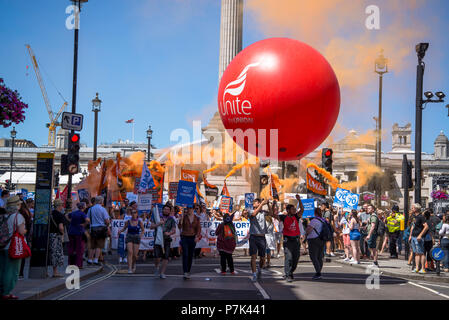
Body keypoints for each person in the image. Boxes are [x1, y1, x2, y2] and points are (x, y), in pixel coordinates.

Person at [0, 196, 26, 299]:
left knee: (2, 269)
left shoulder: (3, 216)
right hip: (13, 247)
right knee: (12, 271)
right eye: (19, 204)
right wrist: (25, 231)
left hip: (2, 245)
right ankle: (6, 292)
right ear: (16, 206)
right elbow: (21, 231)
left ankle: (2, 290)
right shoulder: (18, 216)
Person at [274, 195, 304, 282]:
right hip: (288, 240)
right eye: (292, 209)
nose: (294, 210)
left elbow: (302, 210)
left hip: (296, 240)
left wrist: (299, 200)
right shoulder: (283, 217)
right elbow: (273, 215)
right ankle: (288, 275)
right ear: (288, 210)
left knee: (296, 258)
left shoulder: (296, 216)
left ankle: (290, 272)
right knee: (289, 257)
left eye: (295, 209)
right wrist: (272, 205)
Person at [248, 198, 272, 282]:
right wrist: (262, 204)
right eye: (254, 202)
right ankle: (254, 274)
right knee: (253, 256)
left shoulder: (263, 213)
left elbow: (271, 214)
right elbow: (254, 214)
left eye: (256, 202)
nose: (254, 203)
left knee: (262, 258)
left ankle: (259, 269)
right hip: (253, 237)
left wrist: (268, 204)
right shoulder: (250, 211)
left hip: (262, 237)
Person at [178, 205, 201, 279]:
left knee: (190, 255)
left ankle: (188, 271)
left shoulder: (196, 218)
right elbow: (179, 227)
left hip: (192, 238)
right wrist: (180, 221)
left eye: (191, 208)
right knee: (185, 254)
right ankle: (185, 272)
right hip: (184, 237)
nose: (189, 210)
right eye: (188, 208)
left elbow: (198, 228)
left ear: (193, 209)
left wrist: (197, 236)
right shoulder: (184, 217)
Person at [119, 208, 144, 273]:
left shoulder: (139, 222)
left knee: (135, 255)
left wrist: (141, 235)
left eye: (135, 212)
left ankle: (133, 264)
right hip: (129, 236)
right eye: (132, 213)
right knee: (130, 252)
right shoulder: (128, 221)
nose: (133, 214)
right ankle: (129, 268)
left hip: (136, 237)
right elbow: (124, 228)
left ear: (137, 214)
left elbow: (143, 230)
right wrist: (120, 231)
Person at [305, 207, 328, 280]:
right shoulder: (323, 220)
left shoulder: (314, 221)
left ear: (315, 213)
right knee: (319, 257)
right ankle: (319, 271)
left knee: (313, 256)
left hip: (313, 239)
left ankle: (318, 273)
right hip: (322, 239)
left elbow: (308, 231)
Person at [87, 196, 110, 266]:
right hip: (101, 229)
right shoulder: (103, 209)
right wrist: (108, 224)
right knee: (99, 245)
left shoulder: (90, 209)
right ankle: (96, 259)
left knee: (93, 245)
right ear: (101, 201)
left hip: (93, 228)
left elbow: (87, 219)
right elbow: (106, 221)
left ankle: (90, 259)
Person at [66, 202, 90, 269]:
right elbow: (88, 220)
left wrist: (70, 221)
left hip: (71, 232)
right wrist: (84, 224)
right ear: (83, 207)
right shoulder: (82, 214)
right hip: (79, 232)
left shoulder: (74, 213)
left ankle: (71, 264)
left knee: (71, 249)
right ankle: (79, 264)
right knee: (79, 249)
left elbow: (66, 215)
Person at [409, 203, 429, 273]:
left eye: (412, 207)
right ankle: (417, 268)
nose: (412, 209)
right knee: (416, 253)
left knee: (421, 253)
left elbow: (426, 227)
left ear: (416, 208)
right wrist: (410, 235)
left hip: (419, 237)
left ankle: (423, 268)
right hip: (414, 236)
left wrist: (420, 235)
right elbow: (413, 226)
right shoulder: (414, 216)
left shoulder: (421, 217)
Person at [49, 199, 65, 277]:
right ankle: (55, 272)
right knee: (55, 253)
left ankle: (45, 271)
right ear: (59, 206)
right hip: (56, 235)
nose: (63, 206)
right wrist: (63, 234)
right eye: (62, 205)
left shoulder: (50, 214)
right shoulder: (60, 215)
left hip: (49, 235)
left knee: (50, 253)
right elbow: (61, 227)